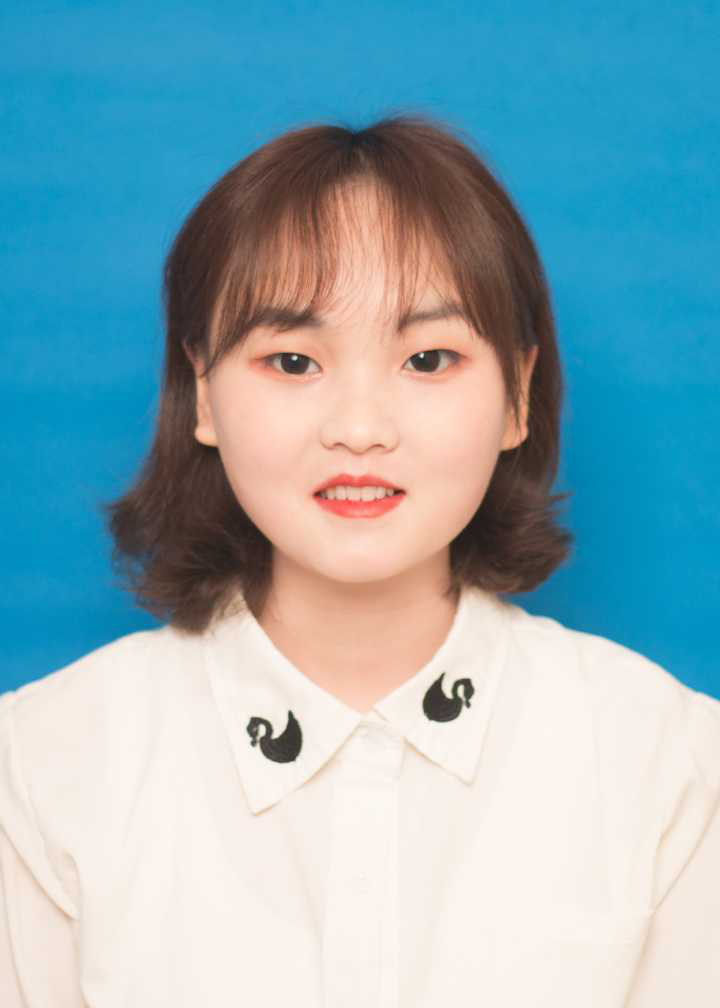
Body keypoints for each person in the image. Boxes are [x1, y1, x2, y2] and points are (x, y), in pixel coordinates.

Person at [1, 115, 718, 1007]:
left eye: (428, 358)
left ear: (517, 396)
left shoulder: (671, 768)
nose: (360, 428)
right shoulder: (42, 767)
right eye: (293, 361)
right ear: (204, 394)